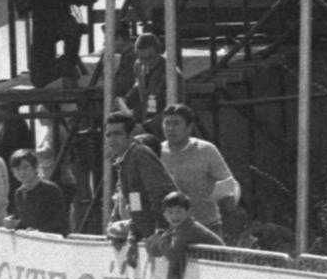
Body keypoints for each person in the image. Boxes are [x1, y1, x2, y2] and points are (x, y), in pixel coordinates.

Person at [157, 104, 242, 234]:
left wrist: (229, 199)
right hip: (170, 229)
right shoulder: (156, 153)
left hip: (206, 226)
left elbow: (229, 183)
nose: (170, 128)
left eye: (176, 123)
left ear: (189, 127)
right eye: (167, 123)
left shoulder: (206, 150)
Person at [104, 111, 177, 240]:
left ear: (131, 135)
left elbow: (160, 194)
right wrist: (134, 232)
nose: (111, 139)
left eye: (117, 134)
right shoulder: (126, 159)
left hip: (166, 234)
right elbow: (135, 202)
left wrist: (161, 230)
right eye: (108, 135)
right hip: (147, 232)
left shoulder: (140, 154)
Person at [143, 192, 224, 264]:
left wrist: (162, 238)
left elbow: (173, 255)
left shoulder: (189, 227)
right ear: (164, 215)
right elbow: (156, 251)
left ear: (188, 212)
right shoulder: (175, 227)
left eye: (179, 212)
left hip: (221, 266)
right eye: (170, 212)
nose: (174, 216)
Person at [8, 150, 70, 235]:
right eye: (17, 169)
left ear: (35, 167)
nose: (22, 172)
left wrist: (38, 231)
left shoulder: (51, 190)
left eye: (26, 167)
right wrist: (12, 224)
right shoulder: (19, 194)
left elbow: (59, 222)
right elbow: (25, 222)